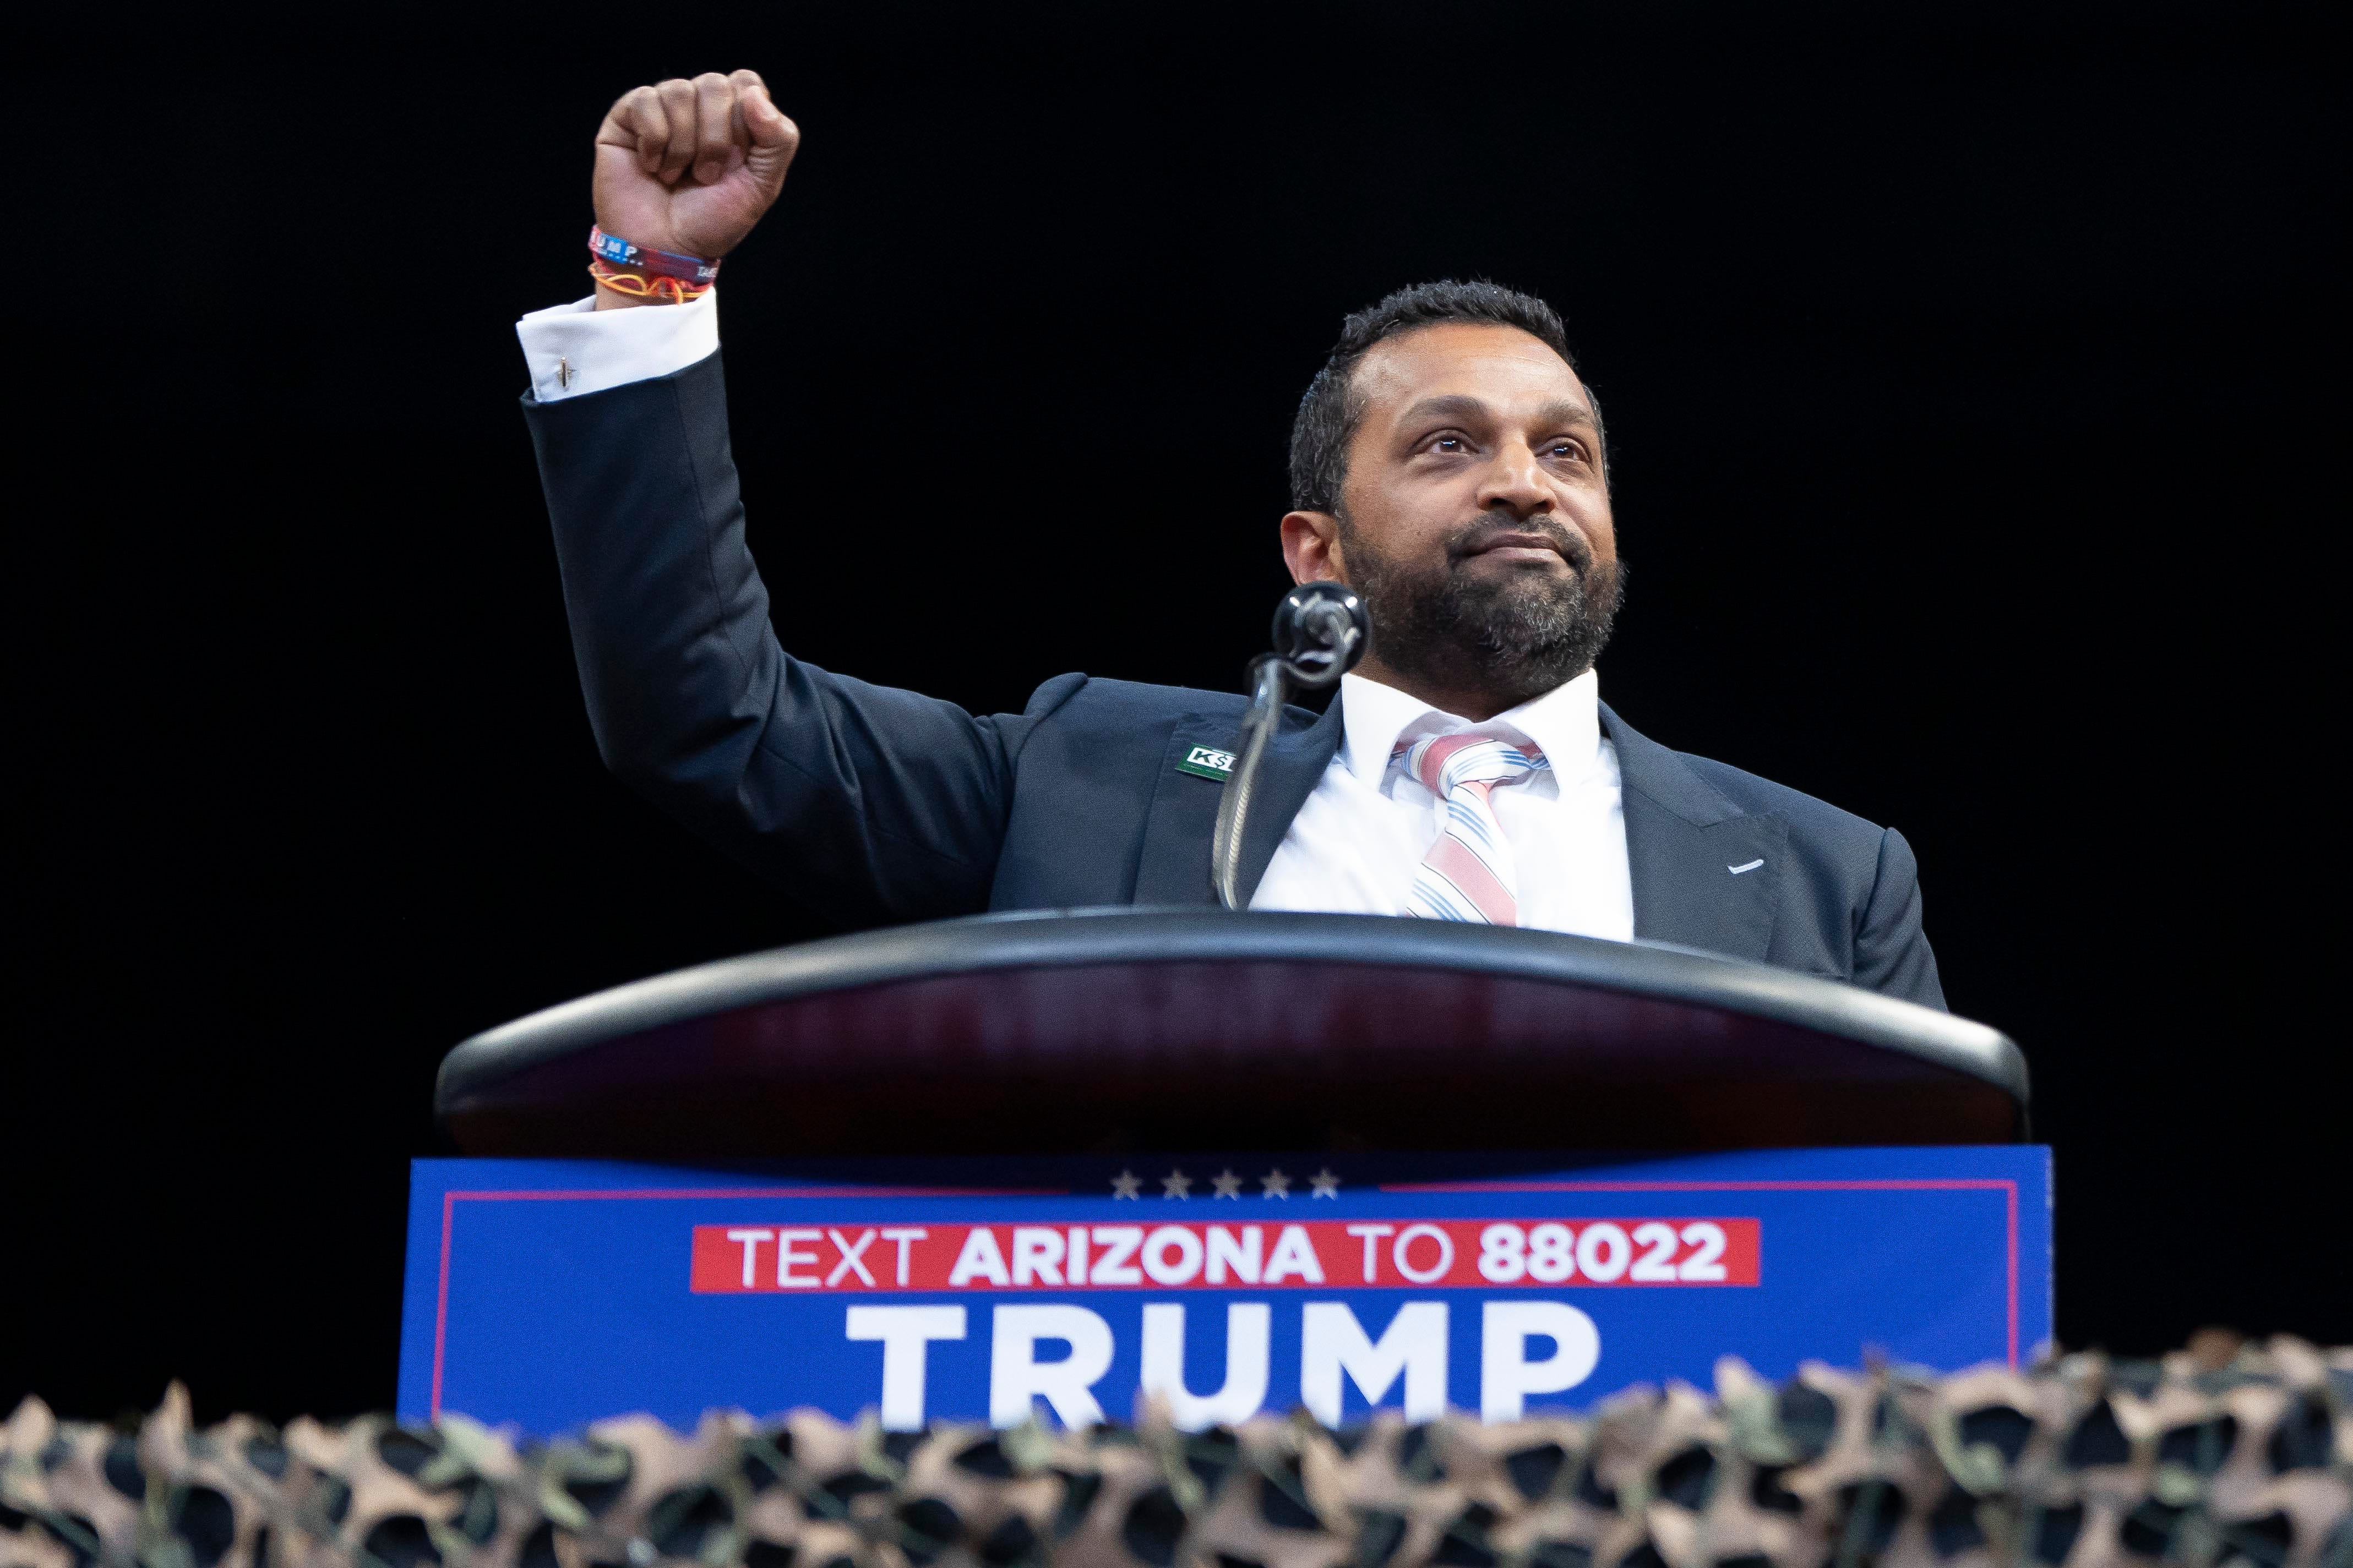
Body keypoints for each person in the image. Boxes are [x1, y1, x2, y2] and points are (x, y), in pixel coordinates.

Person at [516, 69, 1945, 1009]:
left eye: (1562, 449)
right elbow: (708, 711)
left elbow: (1924, 1253)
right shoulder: (1079, 779)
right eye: (1447, 444)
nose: (1522, 481)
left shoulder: (1826, 878)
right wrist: (651, 286)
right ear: (1311, 550)